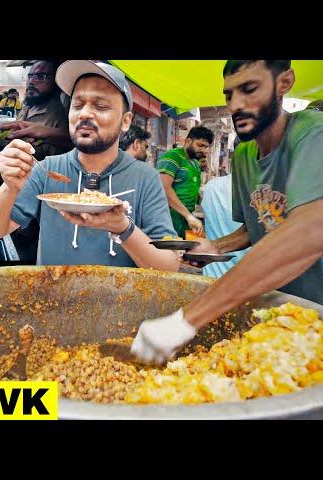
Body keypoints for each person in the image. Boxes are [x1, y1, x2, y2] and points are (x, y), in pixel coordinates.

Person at [131, 59, 323, 364]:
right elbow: (256, 226)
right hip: (275, 306)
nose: (237, 105)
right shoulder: (245, 154)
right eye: (229, 95)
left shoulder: (313, 134)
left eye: (249, 89)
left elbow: (311, 231)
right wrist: (215, 247)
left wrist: (185, 321)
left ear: (284, 83)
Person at [0, 60, 179, 271]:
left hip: (117, 303)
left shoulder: (145, 177)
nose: (84, 114)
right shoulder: (47, 169)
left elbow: (169, 265)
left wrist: (122, 227)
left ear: (126, 121)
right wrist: (10, 187)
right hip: (51, 301)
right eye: (77, 105)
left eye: (100, 105)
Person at [0, 60, 73, 161]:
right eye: (30, 76)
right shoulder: (27, 108)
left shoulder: (62, 118)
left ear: (57, 82)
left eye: (40, 76)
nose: (31, 82)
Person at [157, 126, 214, 238]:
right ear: (188, 141)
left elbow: (191, 191)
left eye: (206, 147)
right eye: (200, 145)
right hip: (168, 217)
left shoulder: (195, 163)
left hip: (185, 219)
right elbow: (164, 188)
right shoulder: (172, 156)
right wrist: (188, 216)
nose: (203, 150)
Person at [200, 173, 248, 278]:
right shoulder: (258, 189)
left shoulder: (211, 186)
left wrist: (214, 246)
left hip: (212, 276)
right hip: (247, 281)